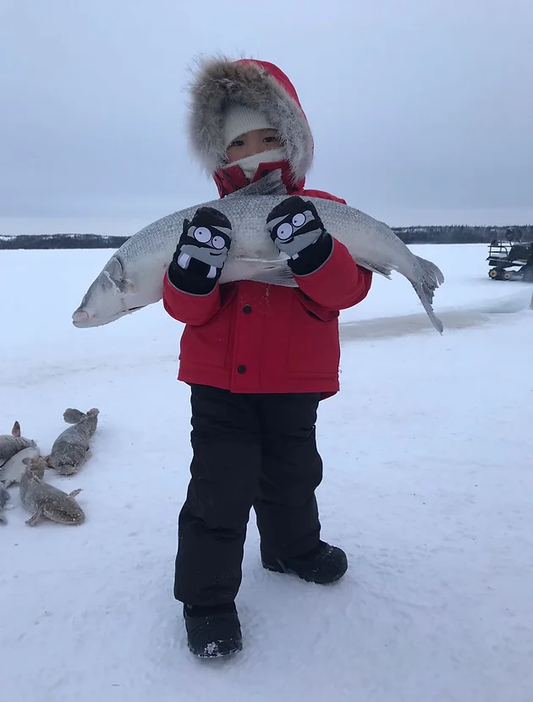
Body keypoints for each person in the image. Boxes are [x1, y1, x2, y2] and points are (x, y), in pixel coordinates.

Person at [162, 56, 373, 658]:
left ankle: (291, 547)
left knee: (292, 475)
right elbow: (186, 310)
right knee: (219, 488)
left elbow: (349, 290)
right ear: (218, 153)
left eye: (269, 137)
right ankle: (206, 599)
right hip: (219, 384)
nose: (254, 152)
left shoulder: (324, 209)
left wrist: (315, 256)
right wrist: (194, 275)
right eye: (238, 142)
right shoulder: (204, 223)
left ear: (295, 138)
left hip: (294, 380)